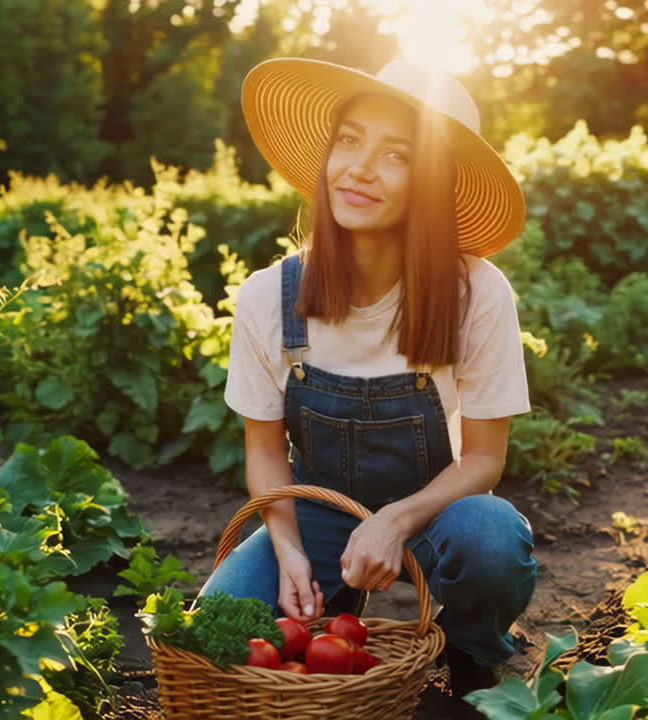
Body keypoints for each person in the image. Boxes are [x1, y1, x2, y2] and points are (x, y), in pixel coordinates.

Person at [199, 56, 539, 697]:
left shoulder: (477, 293)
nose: (358, 167)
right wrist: (289, 546)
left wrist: (395, 520)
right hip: (319, 511)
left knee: (491, 542)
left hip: (441, 513)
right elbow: (266, 452)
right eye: (349, 142)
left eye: (397, 155)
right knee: (219, 626)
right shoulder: (268, 297)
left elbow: (486, 460)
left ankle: (471, 657)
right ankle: (322, 590)